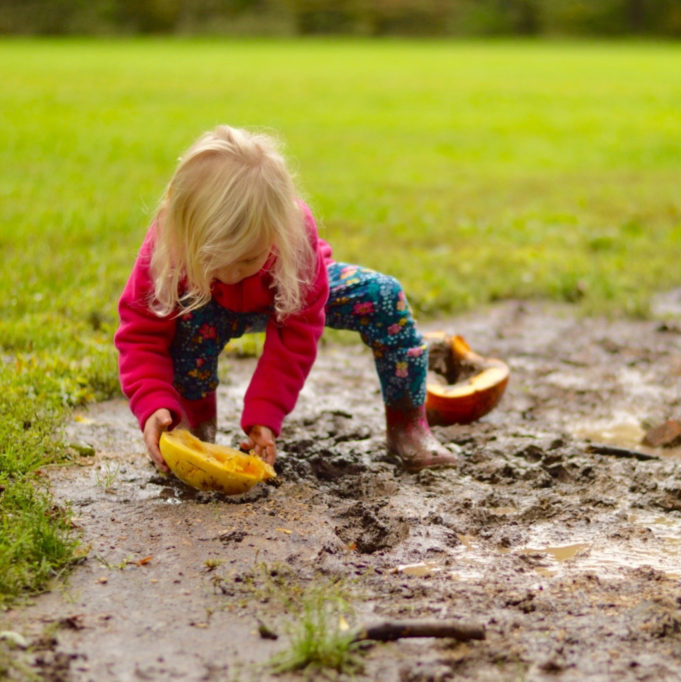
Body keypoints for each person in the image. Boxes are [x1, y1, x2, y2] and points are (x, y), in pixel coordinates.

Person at [114, 125, 456, 474]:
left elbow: (295, 334)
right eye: (214, 262)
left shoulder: (291, 234)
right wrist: (153, 402)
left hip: (288, 290)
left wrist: (264, 415)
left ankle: (408, 426)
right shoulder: (168, 246)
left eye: (247, 260)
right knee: (189, 328)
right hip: (205, 306)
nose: (233, 274)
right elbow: (141, 335)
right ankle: (191, 429)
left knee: (384, 296)